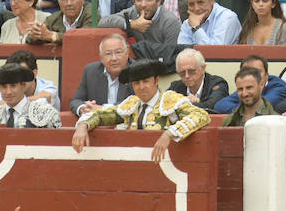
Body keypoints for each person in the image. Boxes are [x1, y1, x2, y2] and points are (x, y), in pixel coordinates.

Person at [73, 59, 210, 164]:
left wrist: (169, 134)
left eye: (146, 81)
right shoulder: (131, 104)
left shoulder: (171, 100)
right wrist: (83, 125)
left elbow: (201, 115)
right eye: (136, 83)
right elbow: (103, 115)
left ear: (156, 80)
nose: (142, 87)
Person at [0, 63, 62, 128]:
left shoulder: (46, 113)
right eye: (4, 87)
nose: (8, 92)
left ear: (23, 86)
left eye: (13, 86)